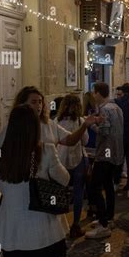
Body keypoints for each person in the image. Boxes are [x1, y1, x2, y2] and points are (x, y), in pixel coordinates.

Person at [0, 86, 100, 236]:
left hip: (46, 193)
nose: (38, 106)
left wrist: (84, 126)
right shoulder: (11, 129)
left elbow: (69, 140)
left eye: (40, 102)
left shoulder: (49, 125)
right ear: (22, 105)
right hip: (20, 193)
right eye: (33, 102)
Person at [0, 105, 70, 257]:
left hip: (11, 230)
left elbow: (2, 187)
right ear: (35, 127)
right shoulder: (47, 150)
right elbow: (65, 179)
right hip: (43, 229)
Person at [85, 82, 124, 239]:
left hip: (104, 155)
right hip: (116, 154)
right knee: (108, 186)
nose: (93, 96)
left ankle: (103, 225)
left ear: (99, 93)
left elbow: (105, 131)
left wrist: (90, 124)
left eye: (94, 93)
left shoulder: (104, 109)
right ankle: (109, 218)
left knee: (94, 188)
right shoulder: (116, 107)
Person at [55, 94, 89, 238]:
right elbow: (85, 142)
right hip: (78, 160)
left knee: (59, 192)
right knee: (78, 192)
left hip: (60, 161)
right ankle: (76, 224)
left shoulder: (55, 121)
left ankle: (60, 227)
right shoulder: (81, 121)